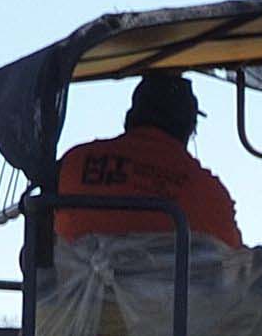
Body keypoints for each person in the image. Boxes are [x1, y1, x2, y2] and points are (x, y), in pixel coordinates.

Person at [53, 71, 244, 248]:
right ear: (187, 128)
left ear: (130, 117)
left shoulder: (73, 164)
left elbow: (41, 245)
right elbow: (232, 267)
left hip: (75, 285)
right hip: (170, 285)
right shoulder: (210, 195)